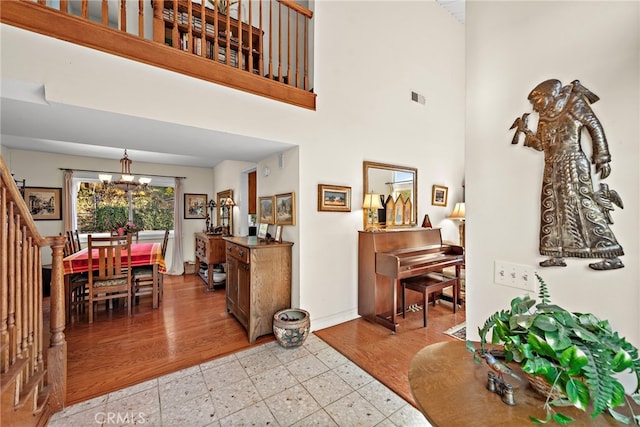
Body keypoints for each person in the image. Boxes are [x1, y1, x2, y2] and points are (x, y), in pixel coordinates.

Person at [511, 79, 624, 270]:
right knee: (551, 208)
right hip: (551, 165)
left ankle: (611, 253)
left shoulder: (573, 103)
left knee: (582, 203)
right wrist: (526, 133)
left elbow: (594, 126)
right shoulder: (545, 116)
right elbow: (541, 145)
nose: (535, 109)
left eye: (536, 103)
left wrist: (602, 156)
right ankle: (555, 253)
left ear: (547, 96)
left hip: (573, 162)